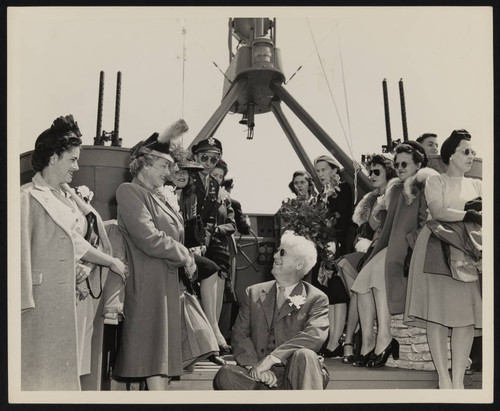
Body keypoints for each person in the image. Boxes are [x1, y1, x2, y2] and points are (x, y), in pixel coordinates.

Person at [21, 115, 125, 390]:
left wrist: (89, 267)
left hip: (79, 297)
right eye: (72, 160)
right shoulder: (26, 197)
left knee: (73, 372)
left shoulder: (70, 197)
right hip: (45, 303)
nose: (77, 167)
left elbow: (85, 238)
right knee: (45, 376)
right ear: (53, 158)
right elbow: (20, 258)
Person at [113, 121, 198, 390]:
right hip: (147, 284)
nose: (169, 172)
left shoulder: (156, 196)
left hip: (164, 284)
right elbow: (147, 238)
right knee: (153, 357)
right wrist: (184, 254)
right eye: (163, 166)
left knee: (159, 359)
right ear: (144, 165)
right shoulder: (130, 191)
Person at [351, 141, 439, 368]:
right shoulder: (396, 189)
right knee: (360, 285)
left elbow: (426, 221)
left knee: (380, 280)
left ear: (418, 164)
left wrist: (413, 247)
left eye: (405, 164)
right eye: (397, 163)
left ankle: (384, 338)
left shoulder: (423, 185)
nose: (399, 167)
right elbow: (387, 226)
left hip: (409, 248)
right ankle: (368, 343)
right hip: (389, 247)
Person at [405, 130, 482, 389]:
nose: (472, 155)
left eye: (472, 151)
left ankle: (458, 381)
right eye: (466, 151)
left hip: (467, 252)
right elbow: (437, 211)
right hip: (437, 249)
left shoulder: (479, 184)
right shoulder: (436, 181)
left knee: (466, 317)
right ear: (451, 155)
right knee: (436, 314)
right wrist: (470, 213)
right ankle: (444, 379)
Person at [213, 231, 330, 390]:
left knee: (306, 355)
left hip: (297, 377)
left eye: (282, 253)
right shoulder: (253, 292)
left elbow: (314, 335)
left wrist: (272, 359)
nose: (275, 256)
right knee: (226, 374)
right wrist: (255, 368)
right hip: (258, 376)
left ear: (299, 264)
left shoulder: (316, 298)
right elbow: (240, 334)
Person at [335, 154, 396, 364]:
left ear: (389, 172)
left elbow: (390, 229)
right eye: (370, 171)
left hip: (385, 248)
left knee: (360, 284)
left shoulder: (394, 193)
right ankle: (363, 339)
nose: (371, 175)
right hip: (372, 247)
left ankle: (357, 340)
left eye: (376, 171)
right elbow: (368, 227)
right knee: (349, 273)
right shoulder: (373, 198)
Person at [311, 155, 356, 357]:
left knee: (338, 293)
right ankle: (332, 339)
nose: (321, 174)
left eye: (324, 170)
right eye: (318, 170)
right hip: (324, 246)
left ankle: (336, 339)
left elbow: (344, 218)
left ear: (334, 170)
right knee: (328, 293)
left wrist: (334, 244)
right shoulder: (323, 195)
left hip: (337, 247)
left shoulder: (342, 189)